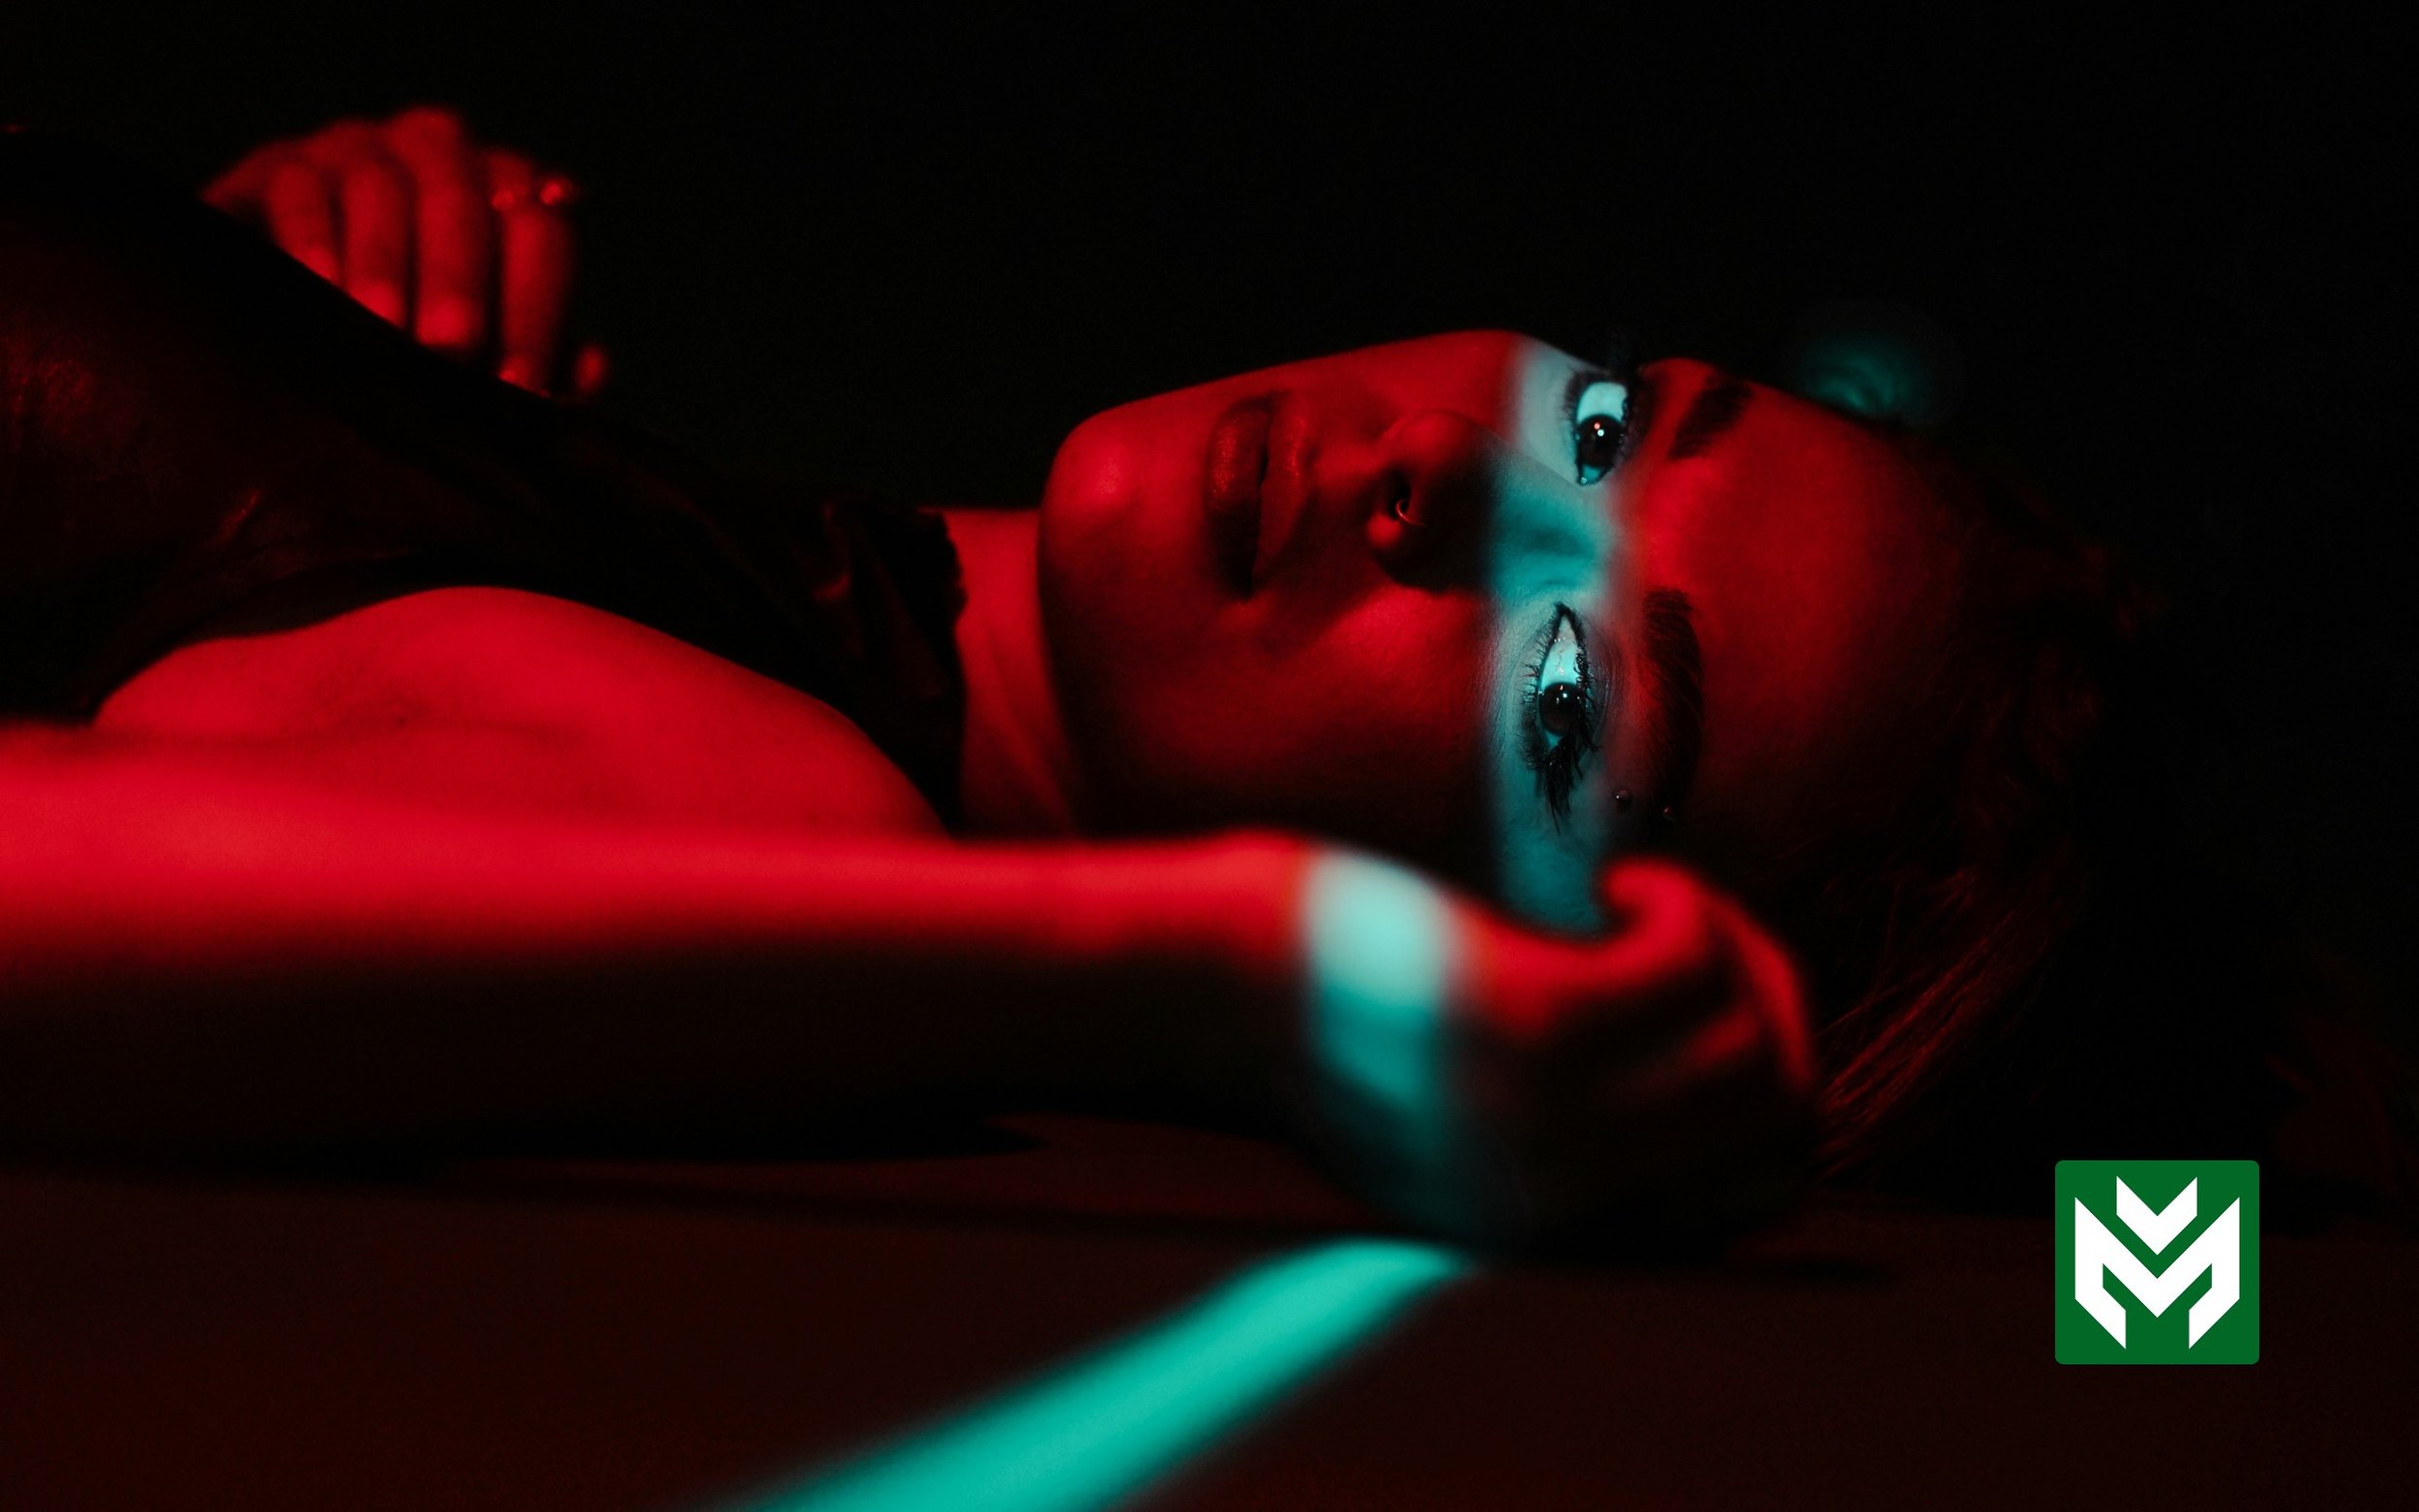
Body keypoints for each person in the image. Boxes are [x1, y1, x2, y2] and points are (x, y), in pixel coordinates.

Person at [2, 111, 2408, 1243]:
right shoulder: (712, 559)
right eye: (1597, 422)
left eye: (1564, 693)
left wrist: (1229, 969)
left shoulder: (783, 804)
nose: (1440, 476)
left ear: (1516, 952)